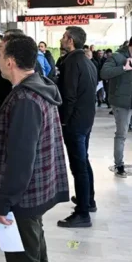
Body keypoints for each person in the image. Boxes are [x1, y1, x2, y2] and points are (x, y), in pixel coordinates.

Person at [0, 35, 69, 262]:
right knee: (34, 251)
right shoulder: (38, 87)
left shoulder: (25, 98)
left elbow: (21, 157)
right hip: (36, 189)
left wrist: (5, 201)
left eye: (1, 54)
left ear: (10, 61)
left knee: (23, 261)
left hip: (24, 195)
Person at [57, 27, 98, 228]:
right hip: (86, 119)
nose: (62, 39)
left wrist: (64, 120)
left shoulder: (72, 62)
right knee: (83, 161)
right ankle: (88, 200)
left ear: (70, 40)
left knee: (78, 166)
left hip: (75, 122)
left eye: (64, 37)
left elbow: (69, 95)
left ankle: (82, 213)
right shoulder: (88, 61)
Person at [100, 33, 132, 178]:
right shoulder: (117, 57)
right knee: (121, 135)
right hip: (123, 104)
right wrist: (123, 68)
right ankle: (119, 165)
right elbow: (104, 73)